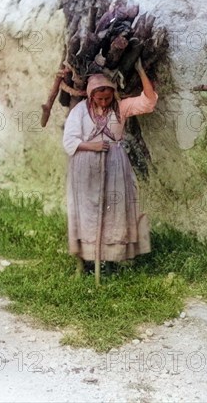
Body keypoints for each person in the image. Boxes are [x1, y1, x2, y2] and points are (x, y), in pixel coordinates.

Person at [63, 59, 158, 276]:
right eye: (99, 98)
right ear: (90, 95)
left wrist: (141, 71)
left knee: (114, 212)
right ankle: (87, 262)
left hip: (115, 165)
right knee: (87, 213)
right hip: (85, 167)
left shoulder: (121, 108)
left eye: (107, 97)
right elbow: (69, 142)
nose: (104, 102)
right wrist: (93, 146)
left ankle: (111, 261)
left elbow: (149, 101)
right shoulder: (79, 111)